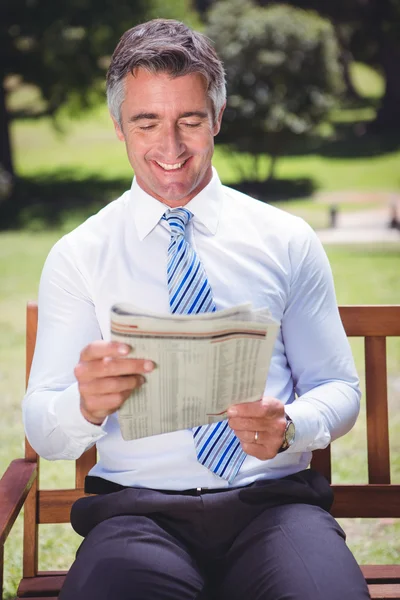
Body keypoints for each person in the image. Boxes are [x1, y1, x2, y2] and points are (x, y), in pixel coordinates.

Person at [23, 18, 371, 600]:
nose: (170, 146)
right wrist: (82, 406)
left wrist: (290, 427)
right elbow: (42, 425)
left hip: (274, 509)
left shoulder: (285, 239)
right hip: (135, 517)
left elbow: (338, 386)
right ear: (118, 127)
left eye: (189, 120)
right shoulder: (80, 255)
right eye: (147, 122)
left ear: (217, 118)